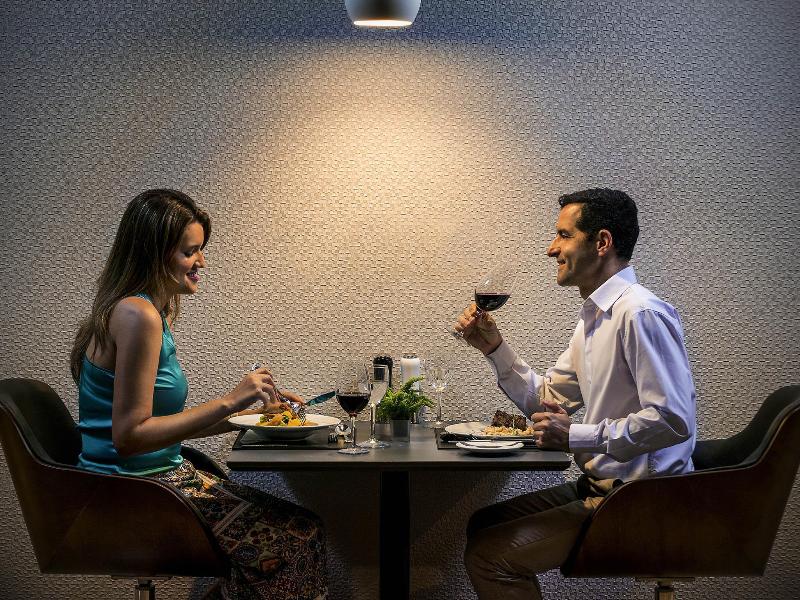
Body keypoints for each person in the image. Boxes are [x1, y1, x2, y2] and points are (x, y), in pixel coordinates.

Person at [70, 189, 327, 600]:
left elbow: (160, 429)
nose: (202, 262)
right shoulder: (137, 315)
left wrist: (254, 416)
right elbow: (130, 437)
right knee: (297, 538)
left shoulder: (142, 312)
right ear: (154, 254)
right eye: (190, 251)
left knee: (299, 531)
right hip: (132, 492)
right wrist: (231, 400)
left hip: (152, 480)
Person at [456, 188, 696, 600]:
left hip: (643, 499)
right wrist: (494, 348)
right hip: (602, 486)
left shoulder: (639, 313)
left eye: (564, 235)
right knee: (482, 524)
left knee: (489, 556)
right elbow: (546, 399)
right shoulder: (595, 317)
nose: (552, 249)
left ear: (602, 242)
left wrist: (576, 435)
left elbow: (673, 419)